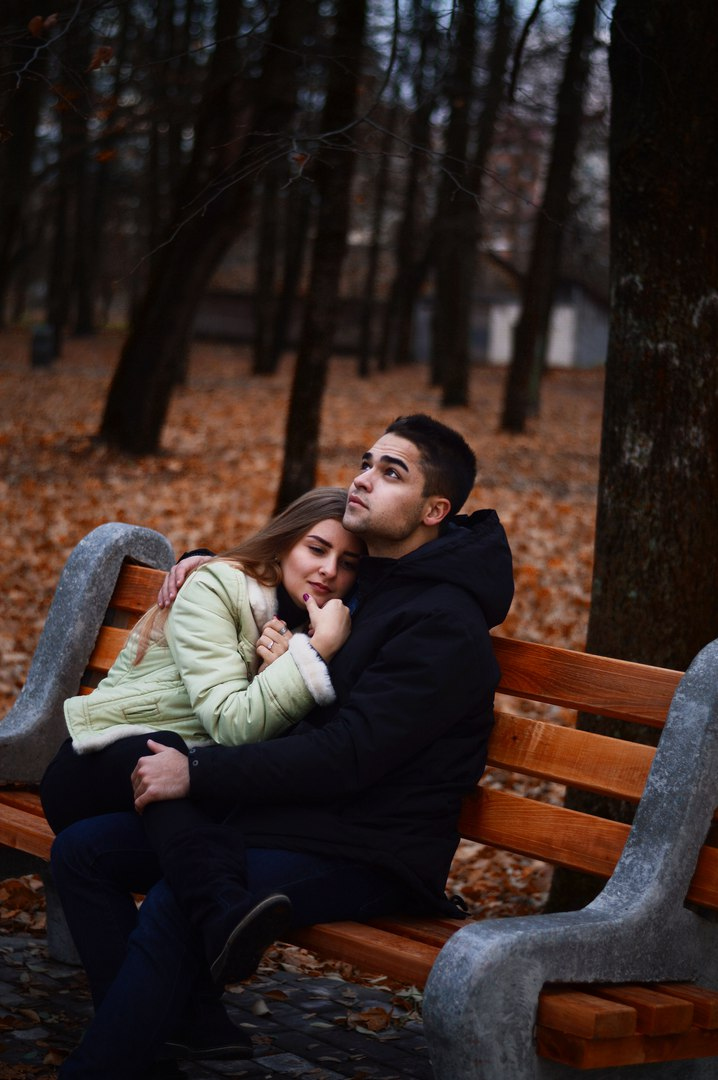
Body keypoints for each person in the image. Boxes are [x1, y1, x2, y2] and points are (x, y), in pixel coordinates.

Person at [50, 413, 514, 1080]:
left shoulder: (440, 625)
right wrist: (204, 561)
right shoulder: (376, 577)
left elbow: (350, 755)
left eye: (392, 472)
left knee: (187, 899)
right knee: (83, 852)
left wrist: (199, 772)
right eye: (366, 462)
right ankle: (192, 1031)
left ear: (435, 510)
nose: (363, 479)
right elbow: (290, 568)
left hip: (370, 847)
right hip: (301, 818)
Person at [40, 486, 362, 991]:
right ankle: (221, 908)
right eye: (316, 549)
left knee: (100, 840)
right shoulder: (221, 586)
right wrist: (313, 655)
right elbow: (232, 724)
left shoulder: (313, 623)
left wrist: (296, 657)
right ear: (283, 543)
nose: (329, 570)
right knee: (166, 751)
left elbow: (275, 748)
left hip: (176, 798)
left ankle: (192, 1023)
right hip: (93, 765)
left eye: (347, 562)